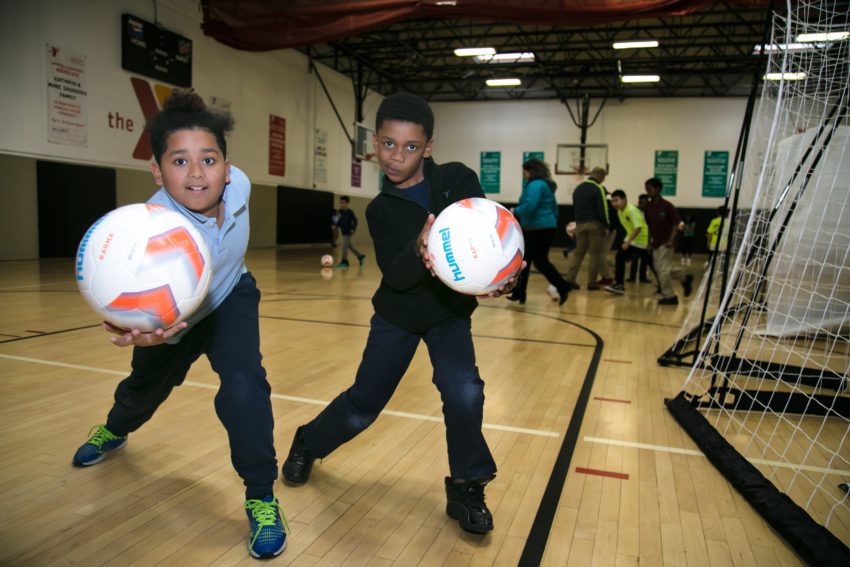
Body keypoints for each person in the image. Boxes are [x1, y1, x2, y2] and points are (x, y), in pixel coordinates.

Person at [282, 93, 519, 535]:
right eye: (389, 144)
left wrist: (503, 278)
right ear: (376, 142)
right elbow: (395, 275)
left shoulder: (457, 179)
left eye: (410, 147)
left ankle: (467, 486)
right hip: (398, 315)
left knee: (464, 392)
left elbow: (488, 239)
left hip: (448, 314)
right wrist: (418, 247)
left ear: (428, 147)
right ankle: (307, 441)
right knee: (364, 405)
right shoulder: (381, 209)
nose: (397, 156)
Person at [70, 90, 287, 560]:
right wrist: (138, 326)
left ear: (228, 167)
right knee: (144, 389)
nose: (196, 173)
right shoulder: (148, 232)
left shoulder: (242, 186)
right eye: (179, 161)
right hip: (174, 320)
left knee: (245, 386)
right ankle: (114, 427)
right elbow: (120, 288)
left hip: (231, 298)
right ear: (157, 171)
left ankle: (262, 496)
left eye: (208, 159)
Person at [506, 158, 570, 305]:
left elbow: (529, 206)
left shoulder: (536, 185)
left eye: (525, 172)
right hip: (542, 227)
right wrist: (551, 223)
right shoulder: (544, 185)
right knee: (526, 261)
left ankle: (563, 286)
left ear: (532, 171)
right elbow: (555, 209)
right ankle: (518, 293)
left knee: (539, 261)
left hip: (537, 229)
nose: (524, 175)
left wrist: (515, 211)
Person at [643, 178, 693, 305]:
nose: (647, 192)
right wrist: (648, 242)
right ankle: (684, 277)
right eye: (646, 190)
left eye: (650, 189)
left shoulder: (667, 206)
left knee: (663, 271)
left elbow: (677, 224)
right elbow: (648, 226)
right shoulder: (648, 207)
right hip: (655, 243)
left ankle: (670, 296)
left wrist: (671, 240)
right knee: (661, 269)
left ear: (658, 189)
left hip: (667, 243)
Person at [563, 167, 611, 290]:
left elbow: (575, 207)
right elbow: (603, 208)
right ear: (600, 176)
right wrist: (606, 225)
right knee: (594, 254)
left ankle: (570, 279)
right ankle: (591, 283)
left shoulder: (578, 189)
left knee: (578, 253)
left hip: (580, 224)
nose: (603, 180)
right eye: (603, 178)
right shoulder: (598, 188)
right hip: (595, 225)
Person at [605, 190, 651, 295]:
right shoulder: (620, 212)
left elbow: (638, 228)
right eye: (612, 201)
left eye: (616, 200)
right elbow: (630, 228)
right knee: (652, 263)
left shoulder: (631, 210)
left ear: (624, 200)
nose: (614, 204)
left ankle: (619, 284)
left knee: (620, 257)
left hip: (640, 240)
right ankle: (618, 283)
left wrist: (627, 242)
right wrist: (626, 240)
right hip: (635, 239)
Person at [627, 193, 657, 284]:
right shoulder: (634, 212)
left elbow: (651, 228)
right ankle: (632, 277)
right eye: (642, 203)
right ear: (639, 202)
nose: (643, 205)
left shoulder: (650, 213)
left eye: (646, 203)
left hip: (646, 239)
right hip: (636, 239)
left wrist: (650, 243)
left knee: (645, 260)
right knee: (634, 259)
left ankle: (642, 278)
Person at [334, 195, 366, 268]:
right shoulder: (339, 212)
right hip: (343, 231)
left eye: (343, 203)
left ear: (347, 203)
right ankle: (360, 256)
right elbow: (337, 222)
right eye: (341, 203)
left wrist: (353, 228)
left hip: (349, 232)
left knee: (344, 246)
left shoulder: (350, 212)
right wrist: (335, 224)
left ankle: (344, 262)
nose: (342, 204)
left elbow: (355, 221)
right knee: (349, 245)